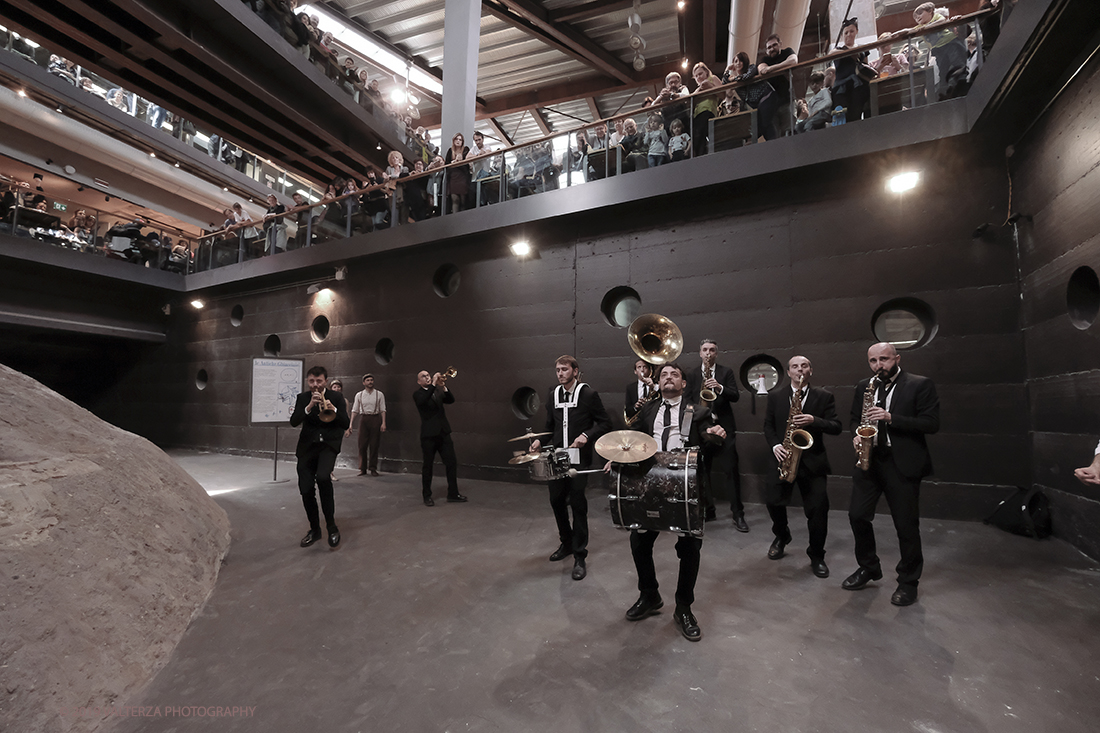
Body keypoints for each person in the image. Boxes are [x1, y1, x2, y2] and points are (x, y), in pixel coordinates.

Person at [622, 363, 726, 641]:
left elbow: (708, 444)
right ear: (658, 383)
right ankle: (649, 594)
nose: (669, 378)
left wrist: (717, 438)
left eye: (675, 375)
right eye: (664, 375)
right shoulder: (647, 410)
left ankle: (683, 608)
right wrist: (617, 456)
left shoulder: (699, 412)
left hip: (686, 488)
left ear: (683, 384)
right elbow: (635, 441)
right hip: (651, 484)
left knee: (690, 549)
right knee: (639, 541)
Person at [843, 342, 940, 606]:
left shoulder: (920, 384)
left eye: (884, 359)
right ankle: (869, 567)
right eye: (873, 361)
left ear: (897, 358)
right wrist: (856, 435)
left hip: (902, 464)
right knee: (857, 516)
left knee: (906, 526)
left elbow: (932, 423)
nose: (879, 366)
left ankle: (908, 582)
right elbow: (854, 419)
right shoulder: (865, 385)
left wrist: (890, 417)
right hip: (870, 461)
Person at [528, 356, 611, 581]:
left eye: (564, 369)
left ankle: (579, 555)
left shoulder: (588, 394)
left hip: (578, 459)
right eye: (557, 370)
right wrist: (539, 442)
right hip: (556, 457)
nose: (560, 373)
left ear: (575, 371)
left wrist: (586, 435)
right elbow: (549, 427)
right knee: (556, 500)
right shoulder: (553, 394)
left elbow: (605, 423)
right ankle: (566, 543)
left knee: (577, 503)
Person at [762, 356, 842, 578]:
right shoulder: (776, 396)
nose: (800, 370)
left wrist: (814, 420)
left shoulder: (824, 396)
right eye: (795, 367)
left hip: (812, 463)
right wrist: (776, 445)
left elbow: (836, 426)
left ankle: (817, 555)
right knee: (773, 502)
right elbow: (768, 425)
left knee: (817, 512)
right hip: (783, 457)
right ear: (788, 372)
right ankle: (782, 534)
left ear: (811, 371)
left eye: (804, 366)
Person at [685, 339, 745, 529]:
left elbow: (735, 395)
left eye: (712, 350)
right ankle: (708, 510)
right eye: (705, 350)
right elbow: (686, 401)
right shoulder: (693, 374)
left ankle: (738, 514)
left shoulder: (725, 372)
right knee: (702, 471)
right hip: (702, 428)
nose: (708, 353)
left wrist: (719, 387)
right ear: (700, 353)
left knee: (731, 471)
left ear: (716, 354)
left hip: (724, 427)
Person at [289, 366, 349, 549]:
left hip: (328, 446)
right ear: (308, 381)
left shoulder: (337, 397)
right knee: (306, 490)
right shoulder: (303, 398)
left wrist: (334, 410)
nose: (315, 385)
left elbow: (345, 423)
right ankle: (315, 530)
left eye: (319, 381)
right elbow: (294, 422)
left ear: (325, 381)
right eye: (312, 381)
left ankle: (331, 527)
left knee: (323, 478)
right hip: (307, 448)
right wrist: (309, 407)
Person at [413, 369, 467, 506]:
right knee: (428, 466)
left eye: (428, 375)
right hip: (429, 436)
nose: (427, 377)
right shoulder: (417, 394)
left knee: (451, 463)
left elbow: (451, 400)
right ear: (419, 381)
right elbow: (423, 402)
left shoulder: (437, 391)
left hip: (443, 433)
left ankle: (453, 494)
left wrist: (443, 387)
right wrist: (434, 385)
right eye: (423, 377)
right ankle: (427, 496)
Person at [723, 52, 780, 141]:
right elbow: (724, 84)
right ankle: (772, 143)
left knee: (763, 124)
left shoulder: (751, 67)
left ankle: (772, 143)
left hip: (766, 96)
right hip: (757, 105)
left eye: (740, 60)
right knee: (765, 125)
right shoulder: (735, 80)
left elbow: (747, 76)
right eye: (735, 61)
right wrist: (727, 69)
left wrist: (734, 78)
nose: (737, 63)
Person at [828, 18, 871, 122]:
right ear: (842, 35)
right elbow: (830, 55)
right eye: (846, 32)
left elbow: (866, 67)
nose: (849, 34)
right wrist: (850, 52)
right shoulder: (838, 49)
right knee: (841, 114)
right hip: (841, 87)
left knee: (856, 113)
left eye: (851, 31)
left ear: (856, 31)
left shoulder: (863, 49)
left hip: (858, 85)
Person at [756, 34, 799, 137]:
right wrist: (782, 66)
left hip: (787, 99)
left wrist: (771, 69)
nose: (772, 49)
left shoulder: (787, 52)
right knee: (775, 134)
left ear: (780, 44)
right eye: (769, 47)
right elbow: (762, 70)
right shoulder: (765, 59)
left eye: (774, 45)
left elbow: (793, 61)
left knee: (789, 130)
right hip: (772, 104)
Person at [347, 373, 386, 476]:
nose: (370, 382)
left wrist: (383, 423)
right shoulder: (359, 395)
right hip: (364, 419)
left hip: (375, 418)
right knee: (362, 445)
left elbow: (383, 409)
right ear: (364, 383)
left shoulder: (379, 394)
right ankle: (362, 468)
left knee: (374, 445)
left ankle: (373, 468)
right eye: (368, 380)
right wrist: (350, 424)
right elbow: (354, 410)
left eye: (371, 380)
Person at [690, 62, 723, 155]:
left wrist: (710, 86)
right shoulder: (698, 88)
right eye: (696, 76)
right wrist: (699, 90)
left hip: (707, 111)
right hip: (697, 115)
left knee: (699, 137)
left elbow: (723, 94)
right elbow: (690, 101)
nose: (698, 77)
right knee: (698, 140)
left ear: (706, 72)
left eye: (700, 74)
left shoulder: (712, 79)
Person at [444, 133, 471, 213]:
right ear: (453, 140)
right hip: (453, 177)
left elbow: (467, 166)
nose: (458, 141)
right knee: (455, 199)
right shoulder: (450, 150)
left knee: (463, 199)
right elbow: (446, 165)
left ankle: (463, 216)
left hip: (462, 176)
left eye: (460, 140)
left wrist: (459, 162)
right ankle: (454, 216)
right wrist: (453, 163)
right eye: (456, 139)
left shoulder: (465, 149)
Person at [625, 358, 656, 423]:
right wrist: (635, 407)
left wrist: (653, 387)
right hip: (638, 423)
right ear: (635, 371)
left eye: (645, 367)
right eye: (639, 367)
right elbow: (627, 410)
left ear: (649, 370)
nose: (642, 370)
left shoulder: (656, 385)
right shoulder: (630, 388)